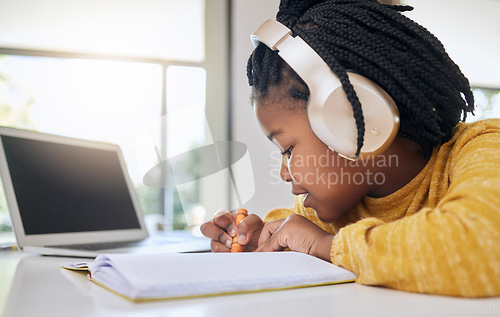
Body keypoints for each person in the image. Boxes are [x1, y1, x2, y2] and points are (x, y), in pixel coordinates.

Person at [200, 0, 500, 297]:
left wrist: (323, 247)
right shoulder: (337, 209)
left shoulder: (483, 146)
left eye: (287, 149)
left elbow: (483, 243)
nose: (283, 173)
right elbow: (296, 230)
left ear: (353, 118)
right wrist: (259, 242)